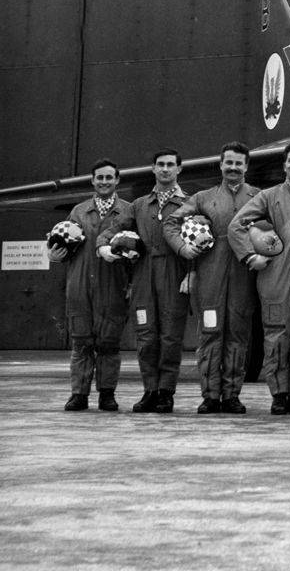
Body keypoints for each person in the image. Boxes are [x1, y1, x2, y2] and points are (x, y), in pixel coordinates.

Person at [228, 143, 290, 415]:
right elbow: (236, 225)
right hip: (274, 278)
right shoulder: (268, 197)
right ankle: (279, 394)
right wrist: (250, 256)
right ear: (284, 166)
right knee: (276, 336)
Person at [164, 141, 258, 414]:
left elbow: (273, 229)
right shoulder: (203, 198)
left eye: (238, 163)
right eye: (228, 162)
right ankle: (210, 395)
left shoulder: (258, 197)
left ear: (246, 166)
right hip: (209, 277)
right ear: (220, 165)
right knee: (209, 336)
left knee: (238, 337)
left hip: (243, 277)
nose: (233, 167)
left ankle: (231, 396)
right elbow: (171, 222)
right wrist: (183, 248)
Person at [97, 149, 188, 414]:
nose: (165, 169)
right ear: (153, 169)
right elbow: (111, 231)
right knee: (146, 336)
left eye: (171, 165)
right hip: (144, 274)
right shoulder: (138, 206)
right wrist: (105, 247)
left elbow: (201, 242)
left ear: (179, 170)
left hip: (173, 272)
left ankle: (166, 393)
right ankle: (150, 390)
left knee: (170, 336)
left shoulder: (189, 203)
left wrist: (191, 273)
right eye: (160, 165)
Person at [52, 159, 132, 412]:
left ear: (117, 180)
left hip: (113, 285)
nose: (104, 182)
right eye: (100, 178)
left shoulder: (128, 211)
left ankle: (106, 394)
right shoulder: (78, 211)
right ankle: (79, 394)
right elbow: (63, 245)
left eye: (109, 178)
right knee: (81, 342)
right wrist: (55, 255)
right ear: (93, 180)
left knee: (109, 343)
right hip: (80, 286)